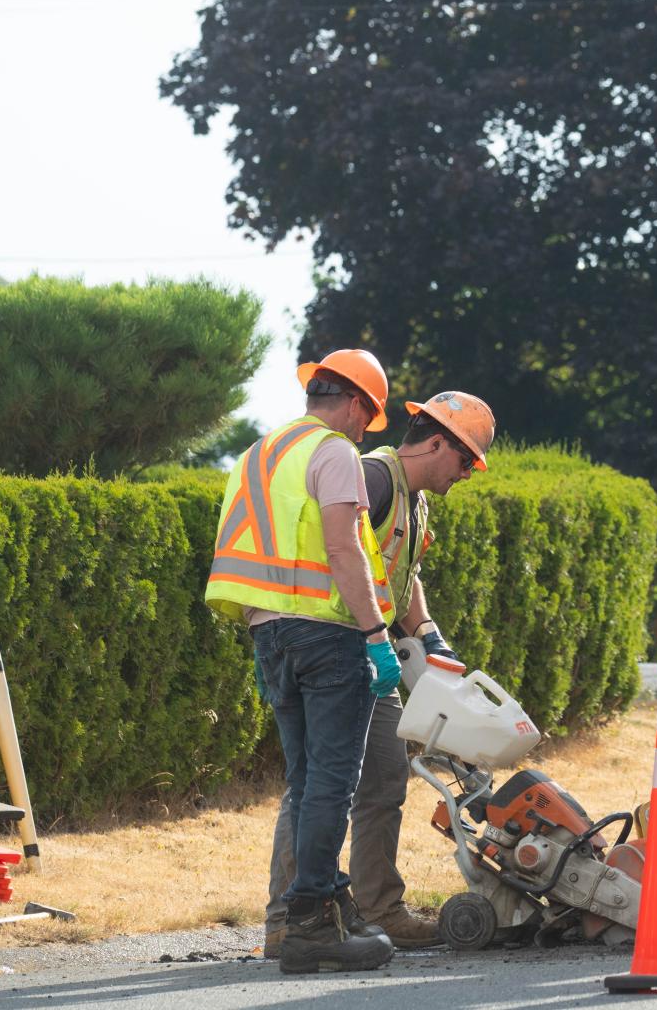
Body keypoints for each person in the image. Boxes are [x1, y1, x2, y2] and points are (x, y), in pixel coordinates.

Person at [261, 390, 496, 955]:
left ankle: (377, 908)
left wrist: (428, 634)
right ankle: (287, 919)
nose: (467, 475)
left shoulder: (412, 501)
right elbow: (342, 551)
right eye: (466, 462)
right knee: (319, 785)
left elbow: (399, 570)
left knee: (385, 780)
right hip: (338, 641)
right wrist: (372, 640)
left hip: (364, 647)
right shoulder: (373, 477)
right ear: (437, 443)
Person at [206, 348, 400, 975]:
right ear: (353, 404)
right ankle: (312, 919)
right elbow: (344, 550)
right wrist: (376, 635)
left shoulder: (258, 454)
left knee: (304, 780)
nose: (361, 434)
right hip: (327, 636)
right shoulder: (335, 452)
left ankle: (309, 909)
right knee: (333, 783)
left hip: (270, 636)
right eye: (364, 421)